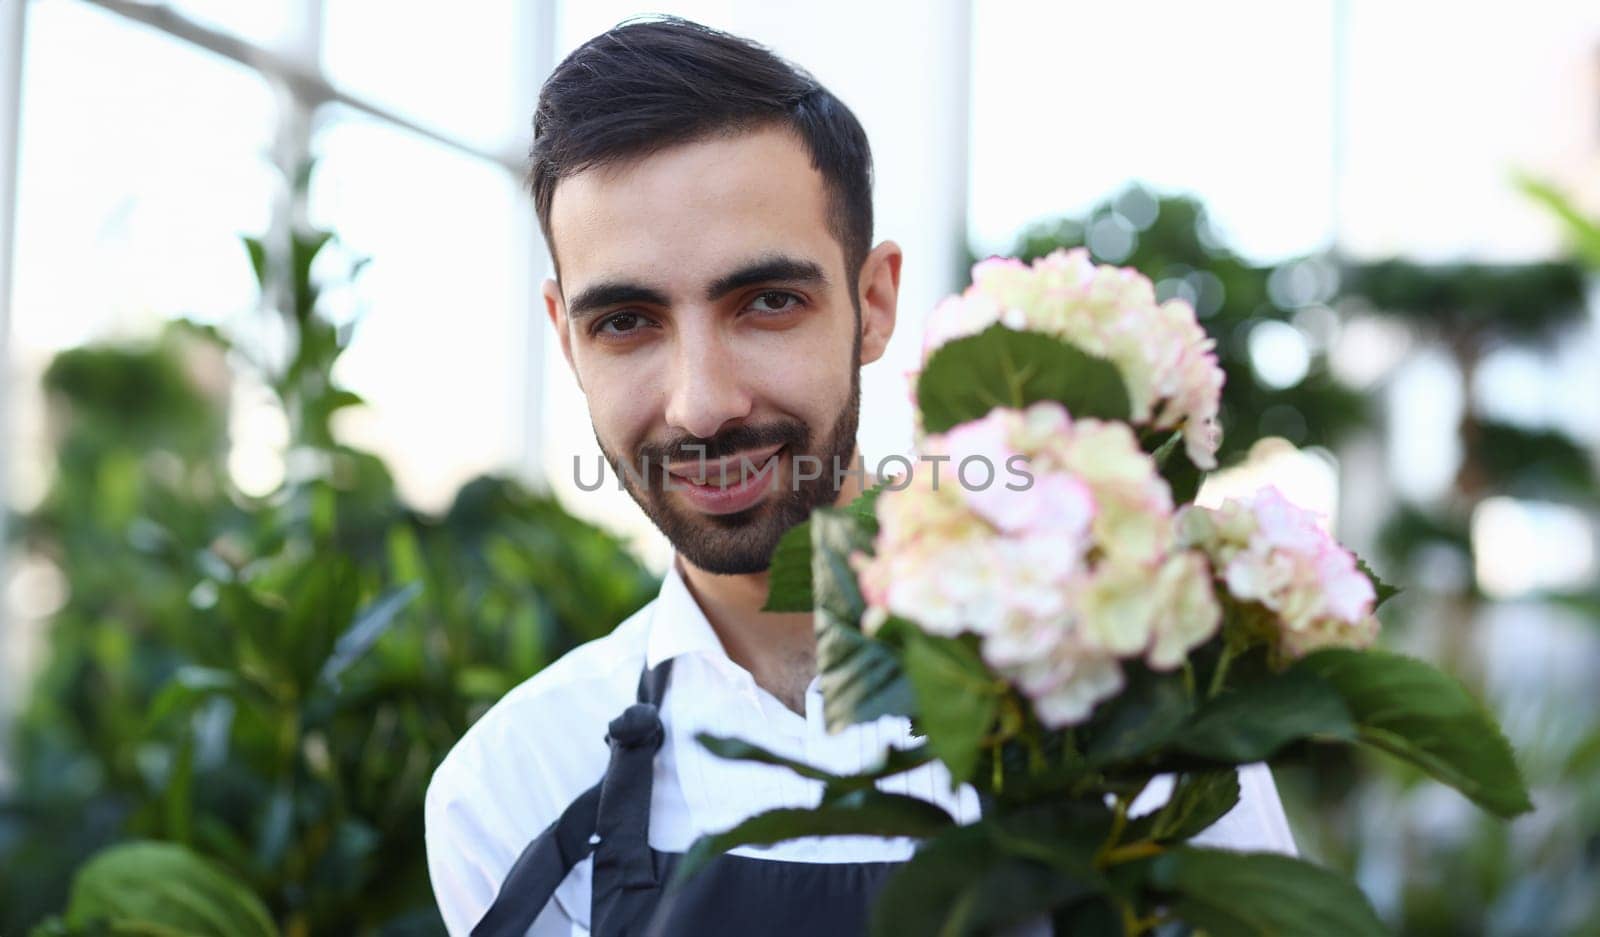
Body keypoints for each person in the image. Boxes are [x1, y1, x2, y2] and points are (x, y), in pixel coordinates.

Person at [423, 16, 1299, 937]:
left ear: (873, 304)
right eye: (627, 322)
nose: (701, 403)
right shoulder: (514, 788)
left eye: (767, 302)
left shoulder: (1132, 725)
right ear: (567, 338)